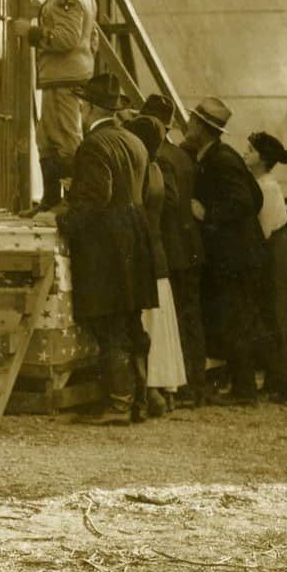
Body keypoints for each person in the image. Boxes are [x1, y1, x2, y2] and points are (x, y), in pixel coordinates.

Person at [186, 96, 287, 405]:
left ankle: (246, 389)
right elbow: (252, 196)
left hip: (235, 259)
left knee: (238, 322)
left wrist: (207, 213)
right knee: (248, 322)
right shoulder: (223, 157)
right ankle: (282, 381)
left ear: (202, 128)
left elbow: (244, 201)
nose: (187, 126)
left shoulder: (220, 160)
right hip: (245, 256)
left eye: (192, 122)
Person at [57, 73, 158, 423]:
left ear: (86, 107)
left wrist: (62, 222)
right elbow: (142, 192)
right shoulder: (135, 142)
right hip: (135, 238)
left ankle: (118, 402)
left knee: (111, 325)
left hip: (107, 248)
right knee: (132, 322)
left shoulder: (93, 145)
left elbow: (96, 197)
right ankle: (139, 401)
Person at [139, 94, 206, 403]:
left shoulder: (160, 157)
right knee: (189, 317)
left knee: (177, 318)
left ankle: (185, 384)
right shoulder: (181, 154)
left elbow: (168, 199)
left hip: (171, 246)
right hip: (190, 244)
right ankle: (195, 381)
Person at [29, 0, 98, 209]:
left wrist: (32, 33)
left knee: (66, 140)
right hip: (65, 77)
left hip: (63, 79)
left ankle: (71, 200)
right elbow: (92, 37)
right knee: (47, 138)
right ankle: (50, 199)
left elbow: (67, 38)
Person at [124, 111, 185, 415]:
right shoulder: (158, 170)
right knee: (162, 325)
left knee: (147, 325)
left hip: (144, 256)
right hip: (158, 253)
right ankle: (165, 389)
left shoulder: (141, 172)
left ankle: (151, 390)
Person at [247, 130, 287, 372]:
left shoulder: (267, 187)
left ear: (262, 159)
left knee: (278, 305)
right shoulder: (260, 183)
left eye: (251, 151)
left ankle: (282, 365)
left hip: (276, 248)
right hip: (275, 245)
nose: (246, 154)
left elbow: (263, 228)